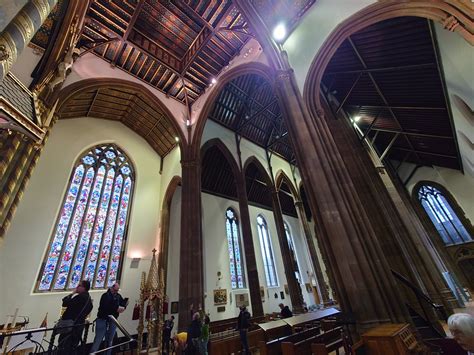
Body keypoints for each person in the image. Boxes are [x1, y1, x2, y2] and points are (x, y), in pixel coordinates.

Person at [89, 283, 127, 355]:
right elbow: (105, 306)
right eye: (115, 290)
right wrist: (116, 308)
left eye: (117, 290)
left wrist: (124, 306)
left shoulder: (118, 296)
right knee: (98, 339)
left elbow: (122, 303)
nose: (116, 292)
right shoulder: (105, 296)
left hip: (113, 320)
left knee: (110, 340)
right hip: (103, 320)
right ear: (112, 288)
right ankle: (93, 353)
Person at [57, 280, 93, 354]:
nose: (77, 287)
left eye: (79, 286)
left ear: (84, 288)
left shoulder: (79, 298)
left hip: (70, 326)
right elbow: (89, 309)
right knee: (73, 346)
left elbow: (65, 302)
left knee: (64, 345)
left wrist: (72, 293)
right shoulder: (89, 299)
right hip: (79, 326)